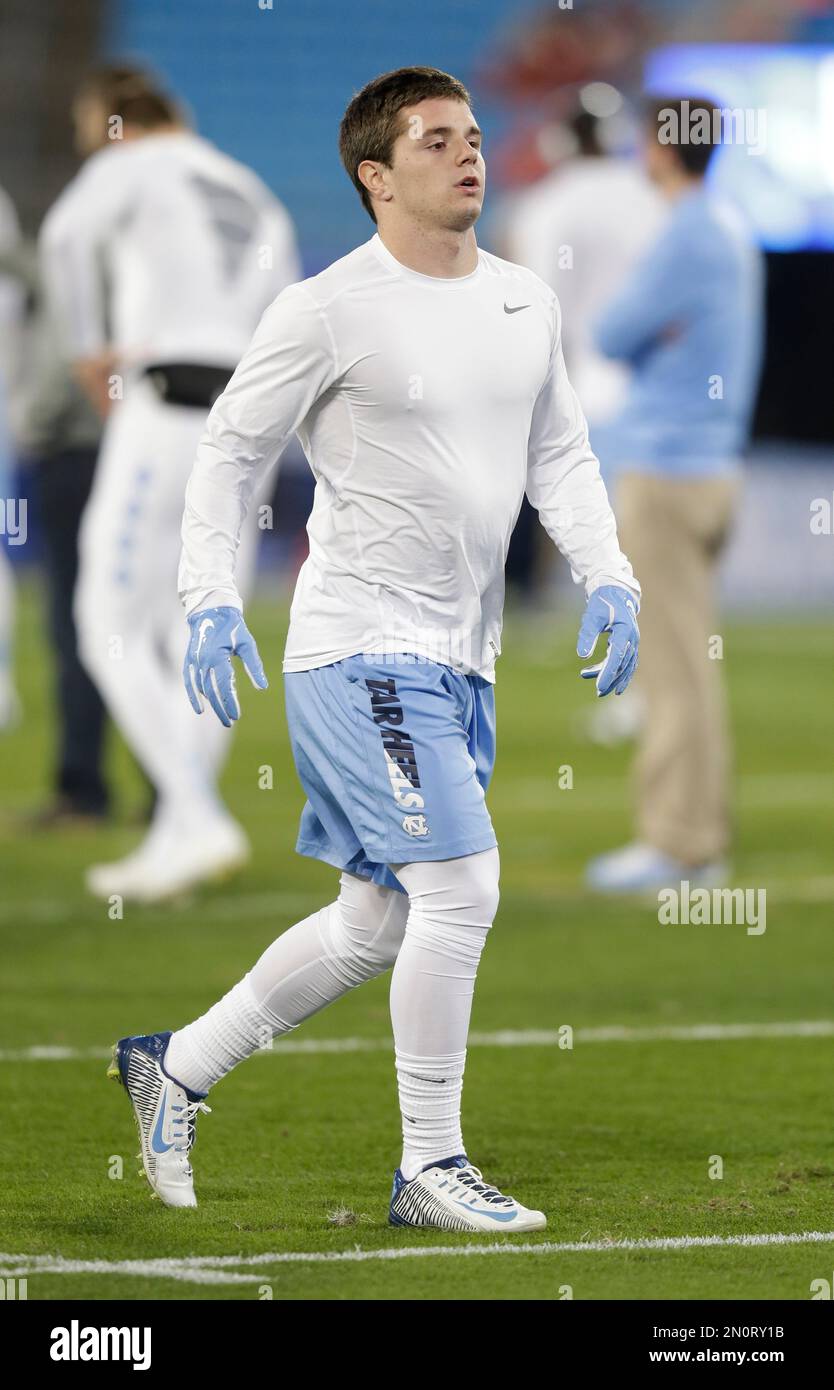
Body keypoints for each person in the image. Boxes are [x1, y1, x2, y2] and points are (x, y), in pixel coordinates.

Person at [108, 67, 640, 1232]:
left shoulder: (523, 300)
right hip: (361, 645)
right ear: (374, 176)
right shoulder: (326, 307)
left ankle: (175, 1068)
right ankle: (428, 1164)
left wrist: (610, 574)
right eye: (436, 140)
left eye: (472, 136)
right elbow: (230, 454)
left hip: (464, 656)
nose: (469, 156)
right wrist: (209, 597)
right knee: (461, 888)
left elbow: (561, 455)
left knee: (378, 919)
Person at [39, 65, 301, 899]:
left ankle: (193, 813)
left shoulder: (129, 162)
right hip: (247, 420)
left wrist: (89, 350)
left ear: (108, 118)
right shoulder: (250, 187)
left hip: (167, 406)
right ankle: (176, 833)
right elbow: (290, 308)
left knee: (104, 619)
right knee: (200, 626)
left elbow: (65, 241)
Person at [585, 96, 764, 893]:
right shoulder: (728, 227)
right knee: (690, 663)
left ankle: (683, 846)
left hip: (669, 469)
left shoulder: (687, 233)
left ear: (663, 149)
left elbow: (610, 332)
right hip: (714, 465)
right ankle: (692, 837)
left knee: (673, 669)